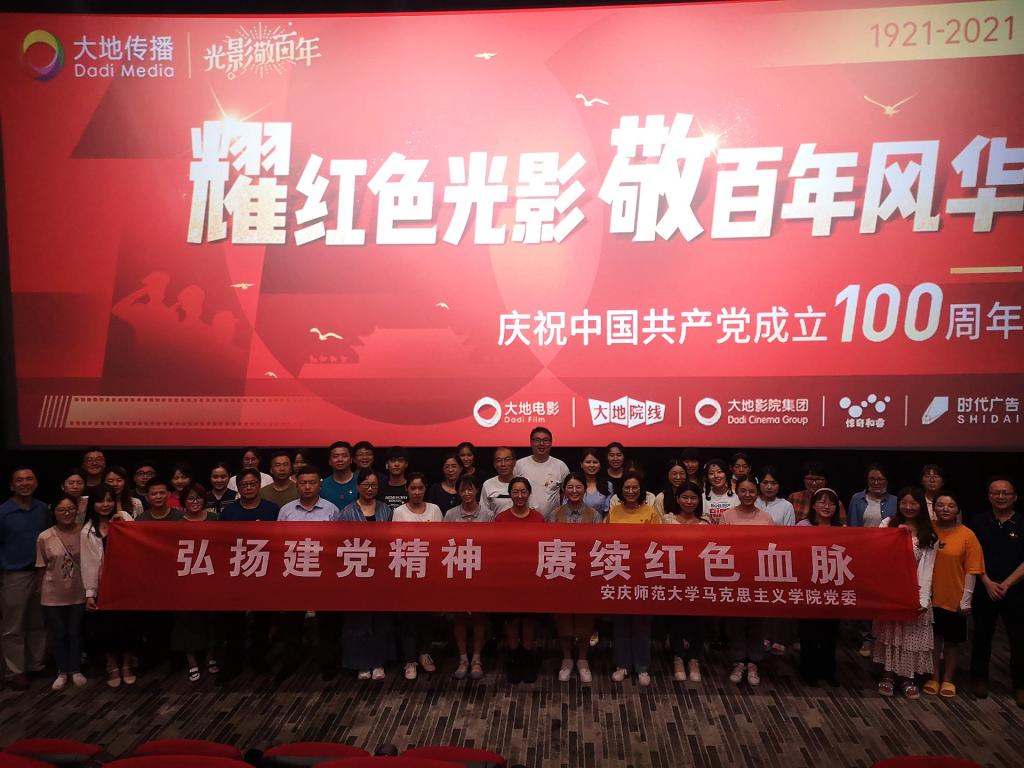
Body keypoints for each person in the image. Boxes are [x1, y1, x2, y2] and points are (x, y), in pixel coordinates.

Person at [276, 466, 342, 682]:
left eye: (312, 482)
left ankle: (327, 663)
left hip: (323, 573)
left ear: (319, 485)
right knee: (292, 621)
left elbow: (338, 543)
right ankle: (290, 661)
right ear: (297, 485)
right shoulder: (286, 510)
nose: (307, 487)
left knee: (327, 622)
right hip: (294, 572)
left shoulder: (331, 510)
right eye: (303, 483)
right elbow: (278, 542)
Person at [874, 486, 937, 699]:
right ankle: (888, 676)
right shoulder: (888, 523)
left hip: (915, 592)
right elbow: (878, 553)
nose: (908, 507)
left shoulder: (929, 533)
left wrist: (922, 599)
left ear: (921, 505)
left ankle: (908, 678)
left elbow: (927, 569)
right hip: (891, 591)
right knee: (890, 635)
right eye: (904, 503)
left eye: (913, 503)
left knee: (910, 638)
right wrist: (895, 535)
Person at [966, 477, 1024, 707]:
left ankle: (1020, 685)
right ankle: (979, 678)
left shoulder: (1022, 522)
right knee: (982, 636)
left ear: (1015, 497)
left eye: (1005, 493)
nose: (1000, 497)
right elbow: (971, 555)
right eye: (995, 493)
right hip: (985, 588)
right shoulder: (978, 522)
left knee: (1019, 640)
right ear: (989, 496)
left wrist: (1007, 584)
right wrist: (987, 582)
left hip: (1016, 590)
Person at [218, 469, 279, 681]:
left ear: (260, 485)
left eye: (253, 484)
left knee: (262, 620)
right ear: (238, 488)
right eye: (244, 485)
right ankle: (232, 662)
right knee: (233, 621)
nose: (249, 488)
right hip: (236, 572)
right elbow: (221, 542)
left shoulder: (272, 510)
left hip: (264, 571)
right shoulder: (229, 512)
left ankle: (259, 659)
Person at [923, 493, 983, 699]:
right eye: (940, 505)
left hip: (954, 597)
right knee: (932, 640)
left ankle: (948, 679)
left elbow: (972, 569)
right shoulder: (927, 529)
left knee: (951, 641)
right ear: (934, 508)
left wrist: (966, 599)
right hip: (929, 596)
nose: (945, 509)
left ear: (958, 509)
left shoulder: (967, 535)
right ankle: (933, 677)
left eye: (951, 505)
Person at [338, 468, 395, 681]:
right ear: (358, 486)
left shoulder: (386, 510)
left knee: (380, 619)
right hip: (356, 572)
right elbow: (339, 542)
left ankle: (378, 662)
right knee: (357, 620)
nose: (370, 489)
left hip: (381, 572)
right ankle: (361, 663)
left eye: (374, 485)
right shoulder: (346, 512)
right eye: (366, 485)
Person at [0, 467, 52, 690]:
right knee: (13, 626)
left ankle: (35, 665)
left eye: (29, 479)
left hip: (41, 573)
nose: (25, 483)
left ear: (36, 483)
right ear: (12, 486)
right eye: (19, 480)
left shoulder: (43, 509)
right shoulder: (3, 512)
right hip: (14, 575)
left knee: (38, 622)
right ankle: (14, 671)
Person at [607, 471, 660, 686]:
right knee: (621, 622)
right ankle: (622, 664)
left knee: (641, 623)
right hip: (619, 573)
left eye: (635, 487)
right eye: (627, 487)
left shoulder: (650, 512)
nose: (631, 491)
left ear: (641, 489)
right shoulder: (614, 511)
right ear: (621, 490)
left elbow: (658, 543)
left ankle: (642, 666)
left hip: (643, 574)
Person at [81, 485, 136, 688]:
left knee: (128, 626)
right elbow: (88, 564)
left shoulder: (123, 518)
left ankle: (127, 664)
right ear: (92, 504)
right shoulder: (87, 530)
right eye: (100, 501)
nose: (105, 505)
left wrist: (122, 522)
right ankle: (112, 665)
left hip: (126, 584)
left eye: (109, 500)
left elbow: (138, 541)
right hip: (104, 587)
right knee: (105, 628)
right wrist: (90, 593)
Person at [721, 478, 773, 686]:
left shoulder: (766, 517)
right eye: (743, 491)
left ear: (757, 492)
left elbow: (772, 547)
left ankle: (754, 662)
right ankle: (738, 660)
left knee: (757, 621)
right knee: (736, 621)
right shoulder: (727, 515)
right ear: (737, 492)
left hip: (758, 576)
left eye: (751, 491)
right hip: (734, 575)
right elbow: (721, 545)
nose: (747, 495)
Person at [392, 472, 442, 680]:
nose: (417, 492)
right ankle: (410, 660)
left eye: (420, 488)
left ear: (425, 489)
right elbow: (396, 543)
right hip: (406, 572)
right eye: (413, 488)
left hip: (429, 572)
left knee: (426, 617)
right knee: (408, 619)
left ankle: (424, 653)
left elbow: (441, 540)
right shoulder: (399, 512)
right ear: (407, 490)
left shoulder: (435, 509)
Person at [549, 473, 599, 683]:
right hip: (561, 572)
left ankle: (583, 659)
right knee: (563, 618)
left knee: (585, 618)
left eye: (578, 487)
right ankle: (567, 658)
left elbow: (598, 545)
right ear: (564, 490)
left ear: (584, 489)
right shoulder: (555, 514)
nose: (574, 491)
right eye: (570, 487)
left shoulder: (594, 515)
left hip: (586, 574)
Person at [496, 477, 545, 683]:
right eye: (515, 492)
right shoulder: (501, 519)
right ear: (510, 493)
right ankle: (514, 656)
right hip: (508, 579)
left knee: (529, 619)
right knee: (512, 619)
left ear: (529, 493)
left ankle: (528, 654)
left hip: (532, 578)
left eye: (523, 492)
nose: (519, 496)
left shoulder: (538, 518)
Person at [37, 493, 86, 690]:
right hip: (52, 592)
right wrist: (39, 591)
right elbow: (41, 566)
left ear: (76, 510)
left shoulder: (84, 532)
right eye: (61, 510)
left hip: (78, 590)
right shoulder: (44, 536)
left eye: (70, 509)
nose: (66, 513)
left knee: (75, 631)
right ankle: (62, 671)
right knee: (59, 633)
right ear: (53, 511)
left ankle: (75, 669)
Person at [443, 475, 490, 680]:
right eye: (463, 490)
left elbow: (493, 544)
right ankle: (463, 658)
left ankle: (477, 658)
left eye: (471, 489)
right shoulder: (451, 514)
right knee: (459, 617)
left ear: (477, 490)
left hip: (480, 572)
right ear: (458, 492)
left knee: (479, 616)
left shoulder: (488, 514)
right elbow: (443, 542)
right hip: (458, 570)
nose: (467, 493)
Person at [174, 482, 222, 682]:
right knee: (187, 622)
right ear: (184, 501)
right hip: (186, 581)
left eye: (199, 498)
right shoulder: (177, 524)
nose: (195, 502)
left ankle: (210, 657)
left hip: (212, 578)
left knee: (211, 620)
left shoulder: (215, 519)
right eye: (190, 498)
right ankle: (192, 662)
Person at [795, 488, 843, 686]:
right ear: (813, 505)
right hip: (808, 585)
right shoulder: (802, 526)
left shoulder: (843, 529)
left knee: (830, 632)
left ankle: (828, 670)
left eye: (831, 503)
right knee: (809, 631)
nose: (827, 506)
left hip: (833, 588)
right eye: (822, 502)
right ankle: (808, 671)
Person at [662, 482, 706, 682]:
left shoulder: (705, 524)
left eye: (693, 498)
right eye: (685, 497)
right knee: (676, 620)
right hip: (674, 578)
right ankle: (678, 657)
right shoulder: (667, 521)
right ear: (677, 499)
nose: (689, 502)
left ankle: (694, 658)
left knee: (697, 620)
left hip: (698, 578)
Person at [756, 466, 796, 656]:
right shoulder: (752, 500)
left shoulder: (786, 506)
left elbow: (790, 534)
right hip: (753, 557)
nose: (769, 487)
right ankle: (761, 636)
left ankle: (778, 638)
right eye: (765, 482)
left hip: (777, 557)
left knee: (777, 599)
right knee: (759, 600)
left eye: (773, 483)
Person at [514, 427, 570, 517]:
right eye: (537, 440)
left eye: (545, 440)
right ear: (531, 442)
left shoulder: (560, 466)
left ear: (551, 443)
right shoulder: (519, 465)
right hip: (524, 519)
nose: (541, 444)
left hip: (553, 520)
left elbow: (568, 493)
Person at [849, 463, 897, 528]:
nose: (876, 483)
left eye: (880, 479)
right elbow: (851, 524)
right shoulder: (857, 499)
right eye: (872, 479)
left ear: (886, 481)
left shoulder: (895, 501)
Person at [321, 441, 358, 512]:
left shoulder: (361, 482)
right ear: (330, 461)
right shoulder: (322, 485)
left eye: (344, 456)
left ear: (351, 460)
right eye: (335, 456)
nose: (340, 460)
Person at [480, 447, 516, 518]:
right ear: (494, 464)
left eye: (507, 460)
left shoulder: (523, 483)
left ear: (514, 462)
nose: (503, 464)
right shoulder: (488, 484)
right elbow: (483, 513)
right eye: (499, 460)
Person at [578, 448, 612, 518]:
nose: (591, 465)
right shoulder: (574, 483)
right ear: (581, 464)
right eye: (588, 462)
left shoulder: (608, 485)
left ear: (600, 465)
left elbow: (606, 514)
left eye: (595, 462)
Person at [702, 458, 736, 525]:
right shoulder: (702, 498)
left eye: (719, 472)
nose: (716, 476)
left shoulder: (737, 497)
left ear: (726, 474)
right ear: (707, 477)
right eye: (711, 473)